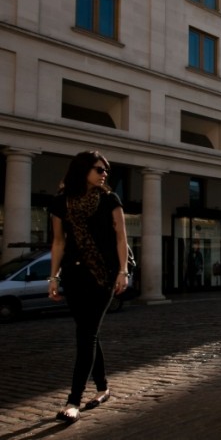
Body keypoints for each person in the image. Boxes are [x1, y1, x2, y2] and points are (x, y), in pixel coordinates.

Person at [47, 151, 129, 424]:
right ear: (83, 170)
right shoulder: (60, 203)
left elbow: (121, 239)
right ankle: (103, 387)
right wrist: (53, 277)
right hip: (73, 275)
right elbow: (58, 242)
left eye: (106, 169)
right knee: (88, 333)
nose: (104, 173)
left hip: (102, 276)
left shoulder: (110, 200)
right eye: (98, 169)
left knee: (87, 334)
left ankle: (73, 401)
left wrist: (122, 271)